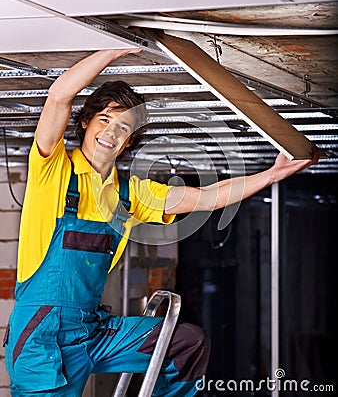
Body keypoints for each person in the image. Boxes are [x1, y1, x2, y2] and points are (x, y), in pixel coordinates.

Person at [4, 49, 318, 396]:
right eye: (104, 120)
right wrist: (116, 48)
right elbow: (59, 96)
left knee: (185, 343)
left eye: (124, 127)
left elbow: (206, 198)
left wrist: (273, 174)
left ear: (130, 140)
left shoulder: (129, 194)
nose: (111, 132)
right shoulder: (53, 171)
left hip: (92, 330)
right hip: (42, 338)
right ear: (86, 122)